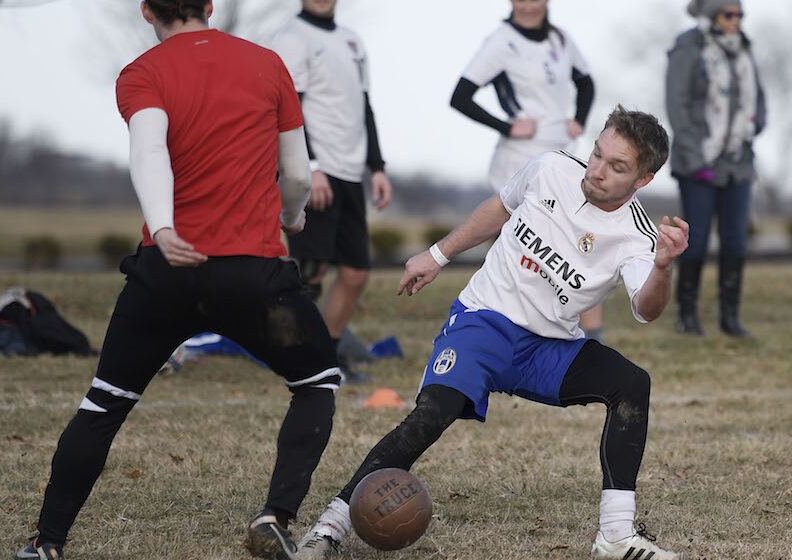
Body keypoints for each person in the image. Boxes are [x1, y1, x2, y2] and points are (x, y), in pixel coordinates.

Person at [13, 2, 341, 559]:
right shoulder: (268, 64)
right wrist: (292, 218)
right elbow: (294, 171)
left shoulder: (143, 72)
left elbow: (147, 150)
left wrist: (164, 229)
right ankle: (275, 515)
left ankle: (46, 545)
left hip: (163, 276)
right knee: (317, 381)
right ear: (210, 5)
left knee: (104, 403)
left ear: (146, 10)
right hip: (253, 277)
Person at [296, 106, 690, 560]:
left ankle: (617, 536)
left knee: (632, 383)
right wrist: (436, 256)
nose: (597, 171)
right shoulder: (550, 168)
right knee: (432, 413)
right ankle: (329, 526)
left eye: (617, 167)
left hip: (549, 347)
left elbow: (647, 308)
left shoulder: (639, 236)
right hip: (484, 321)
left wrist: (662, 267)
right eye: (598, 154)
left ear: (643, 180)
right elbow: (500, 208)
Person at [450, 0, 605, 342]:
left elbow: (587, 81)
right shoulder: (501, 41)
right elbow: (460, 96)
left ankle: (592, 344)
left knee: (577, 247)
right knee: (512, 254)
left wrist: (578, 119)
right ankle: (489, 332)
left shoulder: (560, 40)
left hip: (562, 156)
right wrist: (506, 126)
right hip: (517, 161)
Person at [270, 0, 393, 383]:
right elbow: (287, 108)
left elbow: (365, 107)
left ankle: (329, 352)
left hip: (351, 172)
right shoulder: (291, 39)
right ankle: (298, 357)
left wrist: (377, 167)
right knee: (311, 269)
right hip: (316, 170)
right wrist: (310, 167)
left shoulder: (352, 41)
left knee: (356, 273)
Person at [666, 0, 766, 338]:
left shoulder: (744, 50)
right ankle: (687, 317)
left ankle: (730, 318)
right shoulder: (687, 48)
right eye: (728, 14)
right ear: (711, 16)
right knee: (695, 242)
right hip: (700, 164)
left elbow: (758, 101)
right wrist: (696, 160)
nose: (735, 20)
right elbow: (677, 106)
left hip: (738, 162)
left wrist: (751, 130)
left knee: (735, 241)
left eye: (740, 14)